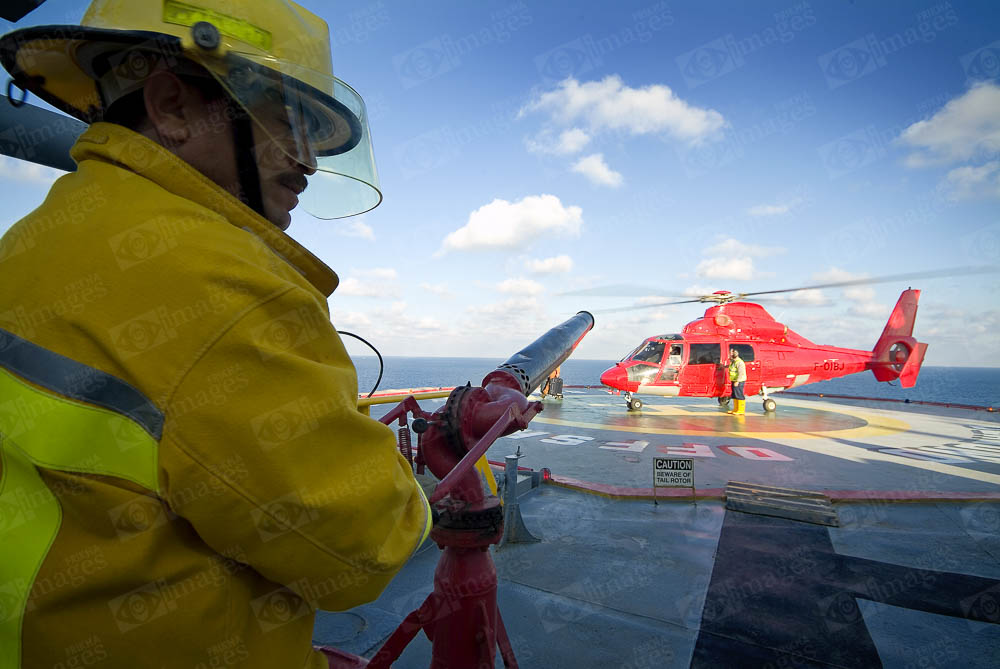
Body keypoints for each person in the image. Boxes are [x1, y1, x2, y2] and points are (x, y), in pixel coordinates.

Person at [0, 2, 430, 667]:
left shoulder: (29, 242)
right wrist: (412, 489)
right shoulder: (225, 285)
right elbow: (361, 550)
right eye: (291, 120)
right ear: (173, 106)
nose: (308, 161)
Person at [727, 348, 748, 415]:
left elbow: (741, 372)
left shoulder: (739, 362)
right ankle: (735, 409)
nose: (730, 354)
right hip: (733, 380)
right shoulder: (733, 362)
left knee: (739, 394)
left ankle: (741, 410)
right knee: (734, 394)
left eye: (731, 353)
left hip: (739, 381)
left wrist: (737, 381)